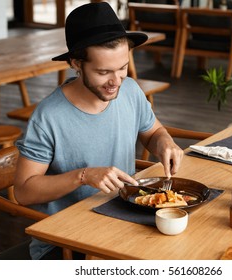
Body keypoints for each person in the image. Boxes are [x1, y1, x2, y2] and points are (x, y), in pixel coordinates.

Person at [13, 2, 183, 259]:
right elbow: (24, 192)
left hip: (125, 221)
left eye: (122, 67)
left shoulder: (130, 90)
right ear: (76, 64)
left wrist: (165, 143)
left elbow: (153, 132)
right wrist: (83, 176)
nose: (116, 82)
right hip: (67, 241)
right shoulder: (48, 116)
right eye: (103, 72)